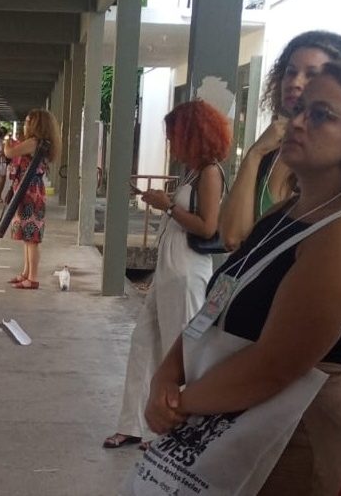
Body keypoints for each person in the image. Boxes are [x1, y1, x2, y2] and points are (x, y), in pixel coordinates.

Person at [145, 62, 341, 495]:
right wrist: (165, 377)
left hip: (292, 440)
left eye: (320, 115)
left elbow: (274, 366)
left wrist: (178, 402)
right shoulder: (287, 211)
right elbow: (217, 304)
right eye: (299, 109)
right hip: (233, 421)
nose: (297, 123)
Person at [103, 100, 231, 450]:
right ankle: (133, 423)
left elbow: (208, 227)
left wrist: (168, 206)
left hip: (187, 269)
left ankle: (173, 428)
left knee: (180, 349)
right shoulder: (192, 171)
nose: (171, 144)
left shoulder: (210, 173)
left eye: (174, 136)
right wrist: (164, 204)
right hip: (169, 268)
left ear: (191, 135)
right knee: (143, 343)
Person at [220, 30, 341, 250]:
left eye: (312, 75)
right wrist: (254, 154)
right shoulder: (273, 150)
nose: (295, 82)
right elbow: (232, 237)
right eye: (290, 72)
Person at [4, 108, 61, 290]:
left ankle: (32, 278)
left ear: (38, 124)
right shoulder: (41, 143)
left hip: (29, 192)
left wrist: (6, 142)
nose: (26, 124)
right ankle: (26, 273)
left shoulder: (34, 142)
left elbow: (9, 153)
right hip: (32, 191)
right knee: (28, 237)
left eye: (29, 121)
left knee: (31, 238)